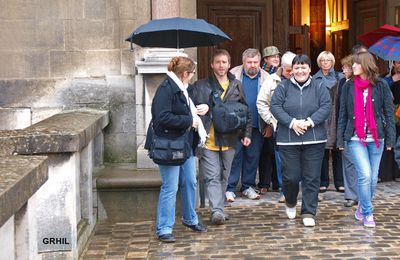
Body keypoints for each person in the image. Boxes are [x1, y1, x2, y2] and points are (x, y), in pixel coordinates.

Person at [189, 49, 252, 224]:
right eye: (218, 62)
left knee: (225, 175)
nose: (221, 65)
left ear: (229, 64)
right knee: (213, 176)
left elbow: (245, 110)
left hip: (230, 139)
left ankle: (219, 208)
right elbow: (189, 106)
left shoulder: (237, 85)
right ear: (212, 65)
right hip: (209, 139)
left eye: (224, 62)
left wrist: (247, 133)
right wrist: (199, 111)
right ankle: (216, 211)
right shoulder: (201, 86)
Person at [150, 56, 207, 243]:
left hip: (185, 144)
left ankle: (190, 219)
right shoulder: (166, 90)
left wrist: (205, 107)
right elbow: (162, 117)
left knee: (190, 182)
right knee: (170, 186)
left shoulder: (184, 88)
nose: (192, 77)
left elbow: (192, 106)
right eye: (191, 74)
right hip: (170, 145)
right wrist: (188, 121)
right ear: (184, 74)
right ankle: (164, 228)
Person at [270, 54, 331, 227]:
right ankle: (290, 201)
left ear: (310, 69)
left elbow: (326, 106)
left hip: (314, 139)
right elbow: (275, 106)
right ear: (291, 70)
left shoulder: (319, 86)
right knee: (291, 177)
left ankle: (308, 212)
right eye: (297, 67)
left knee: (312, 177)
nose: (300, 70)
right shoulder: (283, 86)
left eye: (304, 67)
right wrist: (292, 123)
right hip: (288, 140)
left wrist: (309, 122)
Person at [337, 51, 395, 228]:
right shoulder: (348, 86)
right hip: (355, 138)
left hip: (377, 138)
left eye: (356, 63)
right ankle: (368, 214)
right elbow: (343, 115)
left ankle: (362, 206)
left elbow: (388, 113)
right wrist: (340, 140)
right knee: (365, 175)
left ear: (365, 65)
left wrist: (391, 139)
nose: (352, 66)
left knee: (373, 177)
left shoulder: (381, 85)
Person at [226, 48, 269, 201]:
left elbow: (271, 102)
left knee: (252, 157)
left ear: (260, 62)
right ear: (243, 62)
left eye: (255, 62)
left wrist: (269, 124)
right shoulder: (232, 74)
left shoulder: (267, 77)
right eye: (249, 62)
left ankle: (247, 186)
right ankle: (229, 187)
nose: (252, 65)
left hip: (257, 124)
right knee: (234, 156)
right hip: (236, 124)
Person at [257, 51, 296, 203]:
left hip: (301, 127)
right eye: (288, 69)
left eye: (293, 69)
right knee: (282, 160)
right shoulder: (272, 80)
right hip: (281, 128)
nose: (291, 72)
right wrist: (272, 120)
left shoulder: (304, 78)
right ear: (282, 67)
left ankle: (303, 189)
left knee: (303, 160)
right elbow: (261, 103)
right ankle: (285, 191)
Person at [313, 51, 345, 193]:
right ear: (319, 62)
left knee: (339, 149)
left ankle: (340, 181)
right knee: (322, 150)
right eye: (323, 60)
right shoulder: (314, 79)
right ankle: (323, 181)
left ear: (332, 62)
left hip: (337, 115)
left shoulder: (341, 77)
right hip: (322, 116)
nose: (325, 63)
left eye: (328, 60)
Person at [258, 46, 281, 194]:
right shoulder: (263, 75)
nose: (276, 59)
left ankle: (277, 183)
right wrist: (268, 123)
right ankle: (264, 183)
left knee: (276, 152)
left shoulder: (281, 73)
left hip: (279, 121)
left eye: (278, 57)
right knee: (266, 153)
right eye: (273, 57)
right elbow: (263, 101)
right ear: (265, 59)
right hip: (267, 120)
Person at [338, 55, 358, 207]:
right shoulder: (344, 84)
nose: (343, 70)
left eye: (345, 67)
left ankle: (362, 194)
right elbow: (341, 110)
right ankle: (351, 195)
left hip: (364, 129)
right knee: (349, 162)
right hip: (348, 128)